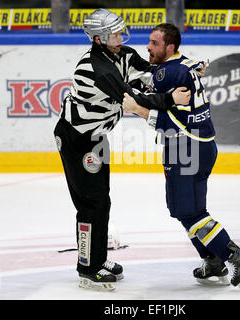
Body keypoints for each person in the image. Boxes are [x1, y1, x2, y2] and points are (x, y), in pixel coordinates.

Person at [53, 10, 191, 291]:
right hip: (76, 140)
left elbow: (152, 75)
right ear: (99, 39)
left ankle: (97, 259)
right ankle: (87, 269)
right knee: (91, 204)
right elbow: (133, 99)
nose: (122, 37)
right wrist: (170, 99)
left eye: (120, 31)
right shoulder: (94, 69)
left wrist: (186, 68)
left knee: (102, 201)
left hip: (96, 137)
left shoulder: (123, 54)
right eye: (115, 34)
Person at [122, 23, 240, 289]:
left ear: (170, 47)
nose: (148, 47)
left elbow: (168, 117)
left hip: (184, 147)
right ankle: (213, 261)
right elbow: (164, 78)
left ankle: (239, 259)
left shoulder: (169, 75)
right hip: (202, 145)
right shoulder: (183, 64)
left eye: (154, 43)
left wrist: (135, 107)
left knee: (185, 210)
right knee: (193, 210)